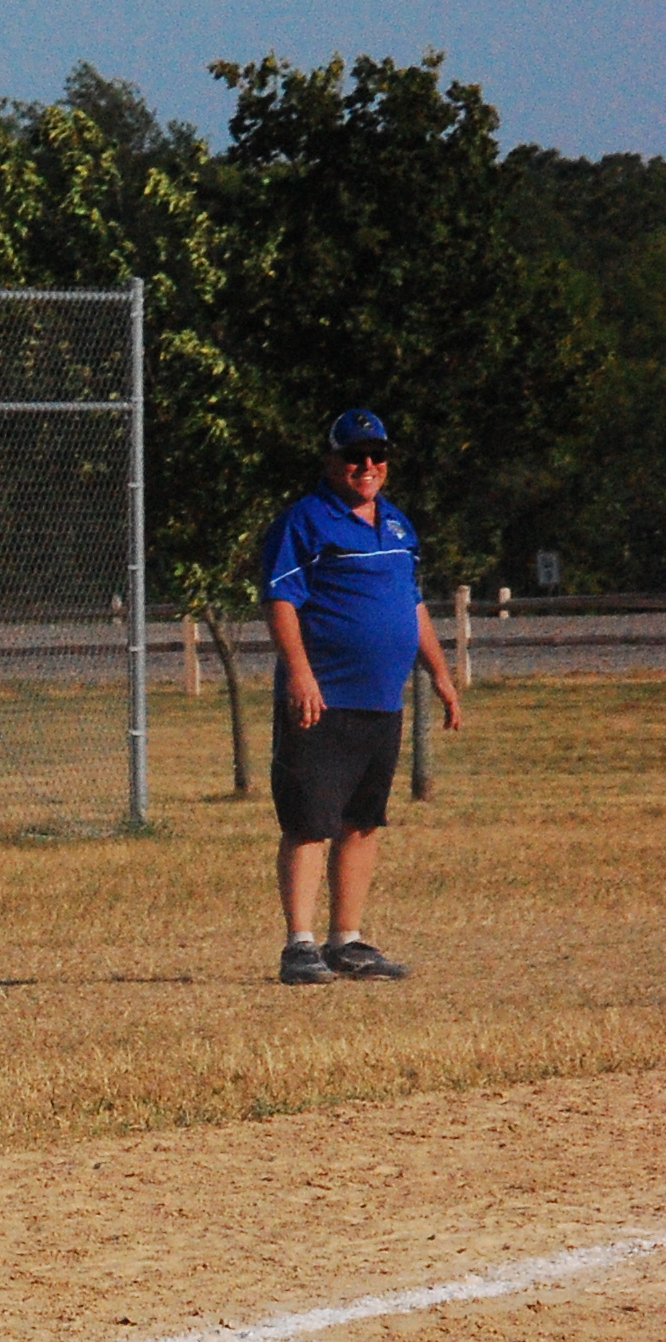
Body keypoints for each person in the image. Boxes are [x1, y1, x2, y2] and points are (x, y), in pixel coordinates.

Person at [257, 409, 463, 985]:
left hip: (382, 700)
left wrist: (440, 674)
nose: (367, 465)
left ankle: (346, 941)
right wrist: (300, 674)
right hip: (323, 698)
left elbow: (411, 603)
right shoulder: (306, 520)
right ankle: (299, 946)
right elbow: (280, 601)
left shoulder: (397, 525)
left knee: (362, 821)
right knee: (309, 821)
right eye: (354, 456)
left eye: (377, 455)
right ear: (332, 461)